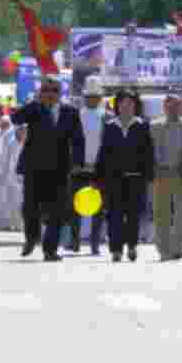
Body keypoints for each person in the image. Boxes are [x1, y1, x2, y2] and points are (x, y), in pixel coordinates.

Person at [11, 76, 86, 261]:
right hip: (34, 167)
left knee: (57, 211)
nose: (50, 94)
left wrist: (78, 163)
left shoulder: (70, 112)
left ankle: (50, 249)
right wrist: (35, 102)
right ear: (40, 92)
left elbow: (78, 139)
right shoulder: (34, 109)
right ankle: (31, 237)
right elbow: (16, 118)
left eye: (54, 91)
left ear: (60, 93)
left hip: (59, 168)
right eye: (45, 90)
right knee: (31, 208)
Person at [95, 90, 155, 263]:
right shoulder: (110, 126)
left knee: (133, 215)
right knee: (114, 215)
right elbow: (103, 153)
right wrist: (98, 177)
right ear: (117, 106)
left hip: (136, 178)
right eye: (122, 103)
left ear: (135, 106)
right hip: (113, 179)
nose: (126, 107)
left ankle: (132, 245)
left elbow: (148, 153)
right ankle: (115, 249)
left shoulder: (142, 126)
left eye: (130, 103)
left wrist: (149, 175)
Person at [149, 89, 182, 261]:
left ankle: (177, 248)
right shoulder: (153, 126)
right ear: (164, 107)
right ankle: (164, 250)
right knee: (161, 213)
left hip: (181, 173)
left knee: (181, 213)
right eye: (169, 105)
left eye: (177, 106)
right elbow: (147, 150)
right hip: (160, 173)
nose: (173, 109)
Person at [70, 76, 107, 255]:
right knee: (75, 206)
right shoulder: (76, 115)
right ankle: (75, 241)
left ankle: (94, 243)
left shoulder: (106, 117)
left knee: (98, 208)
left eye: (95, 96)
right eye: (89, 96)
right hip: (79, 168)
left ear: (100, 98)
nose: (92, 99)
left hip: (98, 169)